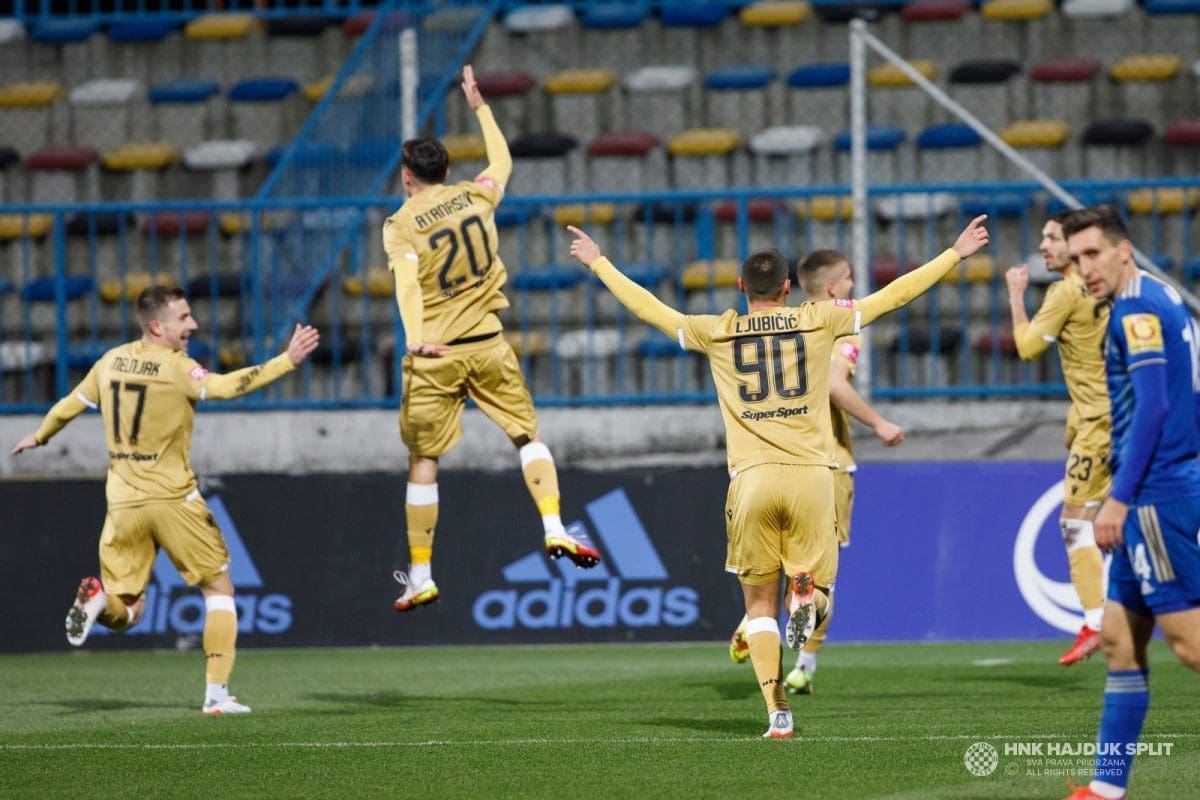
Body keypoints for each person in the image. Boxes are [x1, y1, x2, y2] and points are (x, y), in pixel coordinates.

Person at [569, 216, 989, 737]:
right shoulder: (820, 320)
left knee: (758, 605)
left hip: (751, 481)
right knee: (817, 592)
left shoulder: (716, 330)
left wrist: (599, 262)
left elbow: (651, 310)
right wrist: (954, 254)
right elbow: (894, 297)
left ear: (742, 287)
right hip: (814, 475)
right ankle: (808, 598)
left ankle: (777, 714)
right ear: (788, 288)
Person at [11, 286, 320, 714]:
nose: (193, 324)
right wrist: (286, 361)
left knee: (131, 612)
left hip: (122, 502)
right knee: (219, 588)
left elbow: (70, 404)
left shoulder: (110, 361)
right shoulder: (177, 368)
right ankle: (216, 695)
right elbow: (228, 386)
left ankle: (99, 602)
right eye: (184, 317)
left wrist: (40, 435)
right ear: (158, 326)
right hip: (173, 499)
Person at [383, 64, 600, 614]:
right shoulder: (476, 197)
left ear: (407, 176)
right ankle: (553, 524)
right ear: (447, 168)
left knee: (423, 458)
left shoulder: (403, 223)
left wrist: (413, 338)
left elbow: (407, 284)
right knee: (528, 437)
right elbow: (502, 161)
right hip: (489, 343)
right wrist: (480, 107)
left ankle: (422, 574)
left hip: (436, 351)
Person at [1060, 205, 1200, 800]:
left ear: (1124, 250)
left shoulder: (1137, 311)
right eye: (1075, 259)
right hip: (1161, 483)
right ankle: (1106, 787)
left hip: (1154, 493)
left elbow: (1154, 409)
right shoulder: (1160, 295)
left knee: (1189, 645)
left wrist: (1117, 500)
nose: (1083, 268)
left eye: (1092, 254)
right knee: (1119, 637)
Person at [729, 250, 906, 696]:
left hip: (763, 468)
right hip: (824, 465)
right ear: (831, 289)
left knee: (776, 567)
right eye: (848, 279)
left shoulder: (752, 331)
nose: (852, 285)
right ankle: (804, 664)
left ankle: (757, 622)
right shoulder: (832, 325)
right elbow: (834, 382)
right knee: (818, 577)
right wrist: (880, 423)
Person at [1005, 211, 1111, 666]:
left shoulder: (1066, 290)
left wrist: (1015, 296)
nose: (1044, 246)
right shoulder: (1114, 282)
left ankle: (1096, 622)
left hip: (1101, 423)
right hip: (1125, 413)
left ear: (1074, 246)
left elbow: (1028, 348)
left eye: (1053, 238)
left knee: (1074, 523)